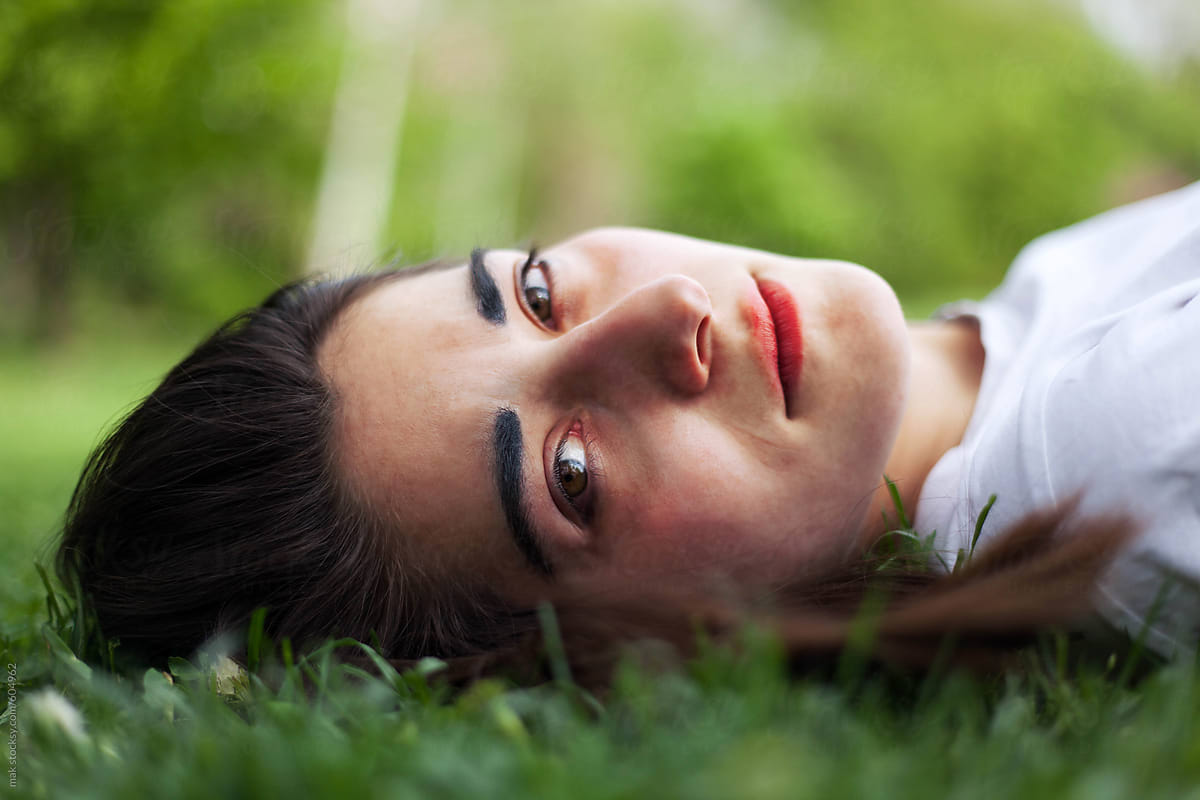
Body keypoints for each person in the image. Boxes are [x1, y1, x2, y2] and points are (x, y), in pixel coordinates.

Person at [55, 181, 1200, 684]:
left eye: (538, 292)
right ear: (628, 643)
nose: (662, 315)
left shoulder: (1026, 332)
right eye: (570, 471)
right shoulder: (1133, 444)